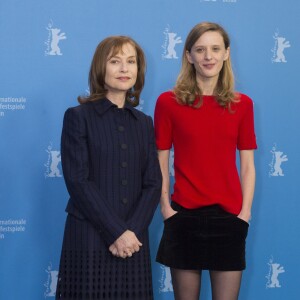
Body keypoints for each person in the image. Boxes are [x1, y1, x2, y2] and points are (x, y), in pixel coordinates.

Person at [154, 22, 257, 300]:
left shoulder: (242, 105)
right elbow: (160, 161)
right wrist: (166, 208)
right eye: (200, 49)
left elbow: (247, 166)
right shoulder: (167, 102)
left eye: (215, 48)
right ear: (189, 56)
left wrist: (244, 214)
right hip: (183, 217)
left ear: (226, 53)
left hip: (230, 219)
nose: (208, 56)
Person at [56, 36, 162, 300]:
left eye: (131, 62)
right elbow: (78, 180)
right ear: (100, 69)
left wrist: (131, 232)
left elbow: (153, 183)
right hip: (90, 234)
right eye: (115, 61)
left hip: (133, 240)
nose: (124, 69)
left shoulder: (144, 123)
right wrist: (116, 232)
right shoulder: (78, 117)